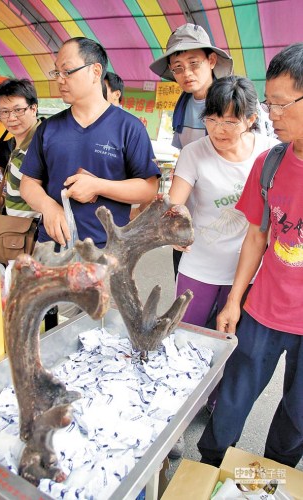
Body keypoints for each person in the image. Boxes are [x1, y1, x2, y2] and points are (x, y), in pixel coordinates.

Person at [197, 43, 303, 469]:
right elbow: (257, 238)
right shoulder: (271, 162)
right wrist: (234, 300)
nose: (270, 115)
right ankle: (206, 467)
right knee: (233, 401)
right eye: (269, 104)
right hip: (263, 310)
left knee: (297, 419)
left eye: (279, 105)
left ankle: (277, 471)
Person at [167, 76, 278, 459]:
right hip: (198, 265)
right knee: (186, 342)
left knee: (228, 342)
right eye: (213, 119)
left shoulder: (268, 152)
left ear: (251, 119)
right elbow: (176, 202)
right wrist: (176, 219)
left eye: (231, 121)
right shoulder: (195, 152)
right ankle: (179, 408)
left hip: (246, 270)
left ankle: (214, 402)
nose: (220, 130)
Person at [20, 37, 160, 249]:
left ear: (95, 71)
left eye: (67, 71)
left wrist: (98, 186)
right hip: (52, 247)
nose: (59, 79)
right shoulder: (48, 128)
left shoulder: (129, 127)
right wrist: (48, 207)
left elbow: (149, 188)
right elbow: (28, 183)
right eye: (57, 72)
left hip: (106, 249)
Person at [150, 23, 233, 279]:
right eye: (178, 68)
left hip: (228, 214)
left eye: (194, 63)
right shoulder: (183, 105)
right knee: (187, 291)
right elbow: (184, 160)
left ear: (211, 60)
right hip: (191, 217)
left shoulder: (234, 102)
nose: (186, 73)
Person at [0, 78, 41, 218]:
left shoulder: (41, 146)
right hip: (16, 232)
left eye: (18, 110)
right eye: (5, 112)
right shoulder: (16, 143)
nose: (11, 118)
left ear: (33, 108)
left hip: (35, 234)